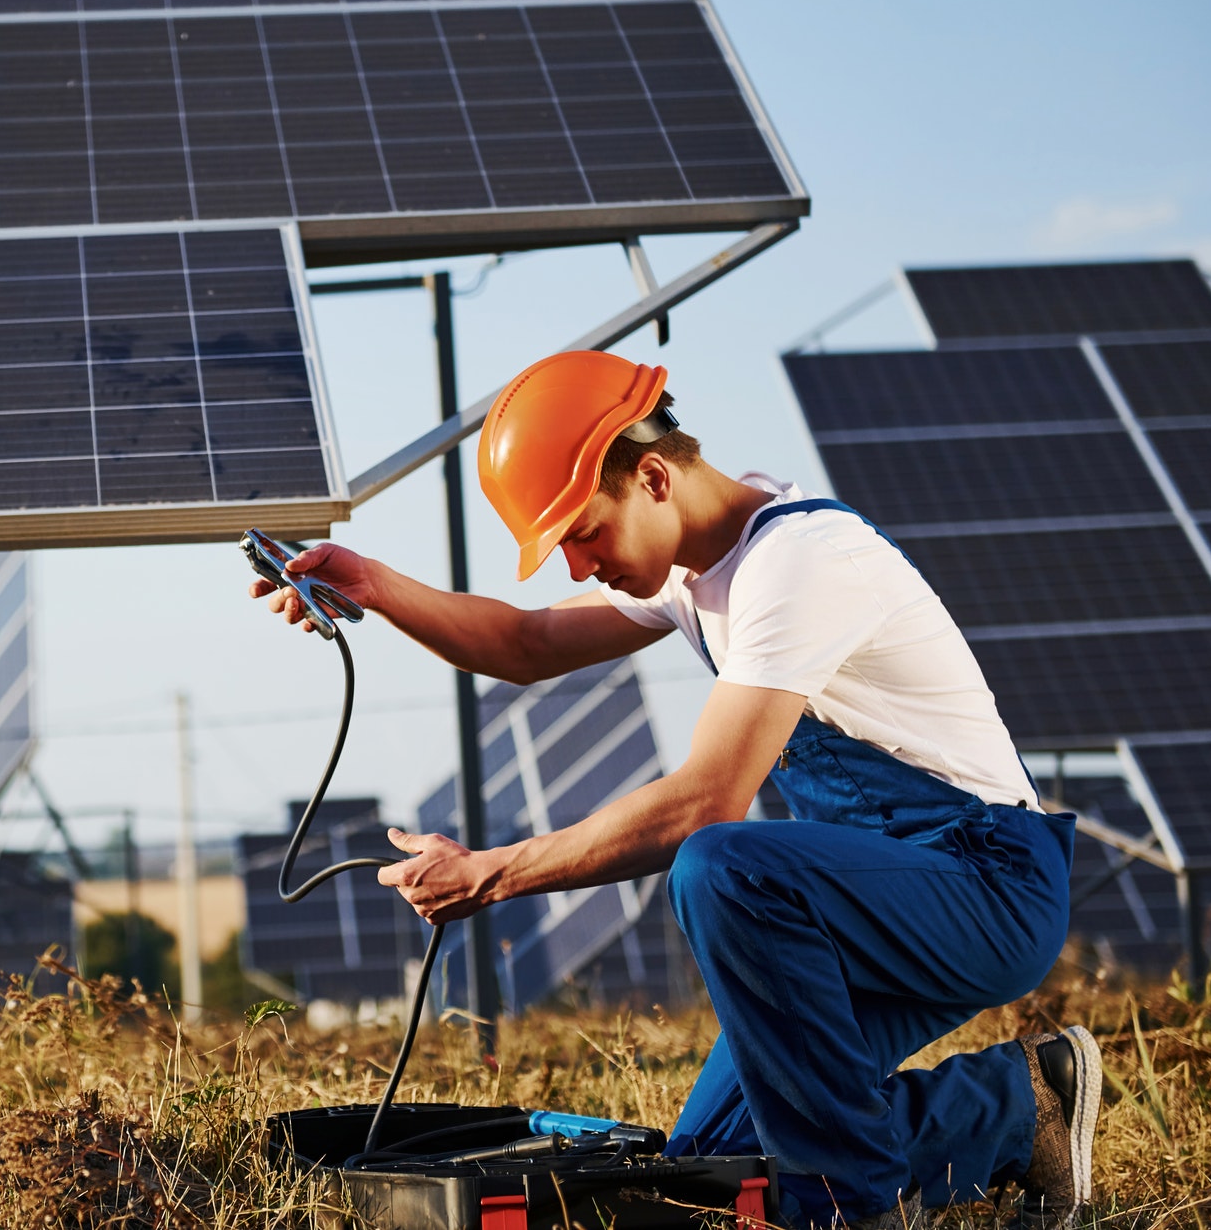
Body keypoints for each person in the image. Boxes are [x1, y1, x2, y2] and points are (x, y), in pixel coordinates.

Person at [250, 351, 1101, 1230]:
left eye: (584, 532)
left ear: (653, 476)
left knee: (723, 866)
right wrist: (376, 585)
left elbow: (707, 801)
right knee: (709, 1167)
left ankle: (850, 1211)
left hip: (984, 883)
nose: (578, 566)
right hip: (871, 902)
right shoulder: (701, 574)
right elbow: (528, 642)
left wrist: (495, 873)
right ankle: (1022, 1100)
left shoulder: (798, 564)